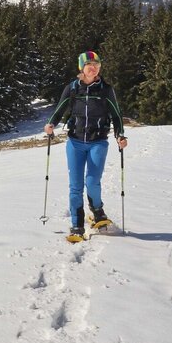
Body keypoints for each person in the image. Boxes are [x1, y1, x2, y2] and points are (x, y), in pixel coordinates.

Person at [44, 51, 128, 238]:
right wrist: (51, 124)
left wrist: (120, 136)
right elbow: (59, 109)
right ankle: (77, 224)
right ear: (81, 67)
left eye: (96, 65)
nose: (93, 68)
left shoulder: (106, 89)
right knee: (75, 186)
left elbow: (116, 115)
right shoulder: (73, 88)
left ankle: (97, 211)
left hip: (98, 142)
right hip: (75, 142)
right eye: (89, 65)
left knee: (92, 182)